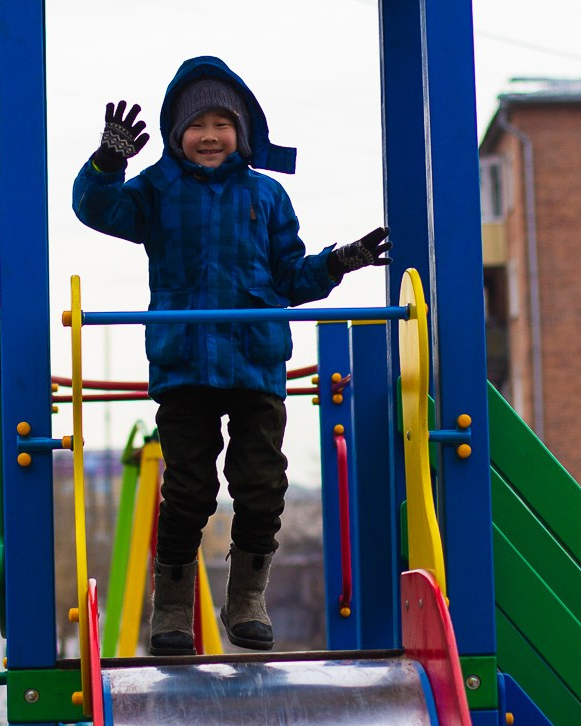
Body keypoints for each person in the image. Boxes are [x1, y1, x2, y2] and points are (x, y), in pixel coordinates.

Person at [72, 56, 390, 655]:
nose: (210, 135)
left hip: (254, 364)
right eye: (197, 125)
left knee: (263, 484)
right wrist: (109, 162)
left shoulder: (266, 197)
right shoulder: (156, 192)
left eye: (222, 123)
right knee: (189, 489)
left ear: (242, 133)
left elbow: (292, 277)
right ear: (175, 135)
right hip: (185, 365)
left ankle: (246, 596)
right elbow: (96, 209)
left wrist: (339, 261)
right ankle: (171, 607)